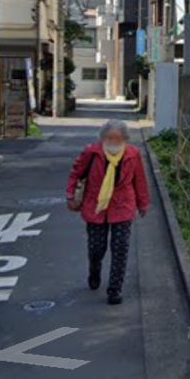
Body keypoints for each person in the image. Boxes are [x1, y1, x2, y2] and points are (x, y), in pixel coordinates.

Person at [66, 119, 150, 305]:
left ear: (125, 138)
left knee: (120, 248)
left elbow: (139, 180)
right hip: (95, 206)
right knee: (97, 248)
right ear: (103, 138)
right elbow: (76, 173)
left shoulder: (132, 154)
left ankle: (115, 289)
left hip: (122, 206)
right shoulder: (92, 152)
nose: (113, 141)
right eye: (110, 137)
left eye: (118, 138)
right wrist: (70, 196)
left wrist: (143, 203)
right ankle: (94, 270)